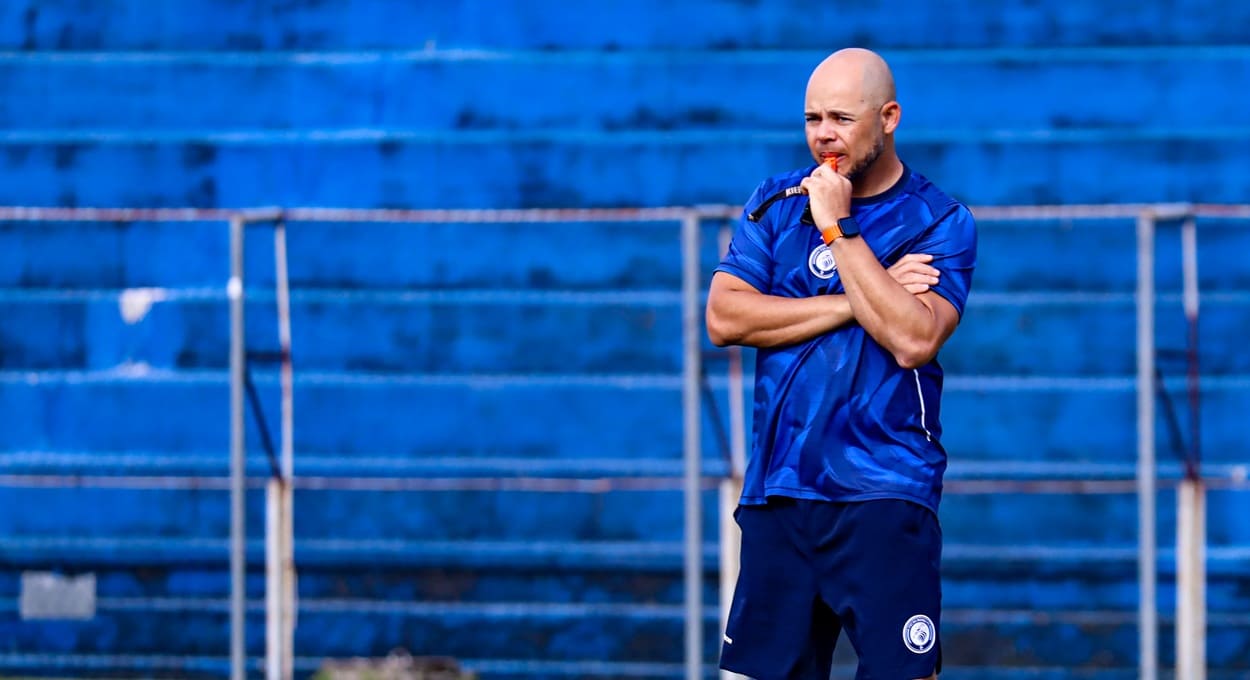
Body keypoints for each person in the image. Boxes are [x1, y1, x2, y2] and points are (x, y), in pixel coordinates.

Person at [706, 47, 977, 679]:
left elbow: (914, 338)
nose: (823, 134)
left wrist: (838, 230)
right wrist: (860, 299)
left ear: (889, 118)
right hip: (779, 489)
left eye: (841, 118)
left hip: (884, 491)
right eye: (812, 118)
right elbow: (725, 318)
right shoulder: (775, 205)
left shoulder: (939, 221)